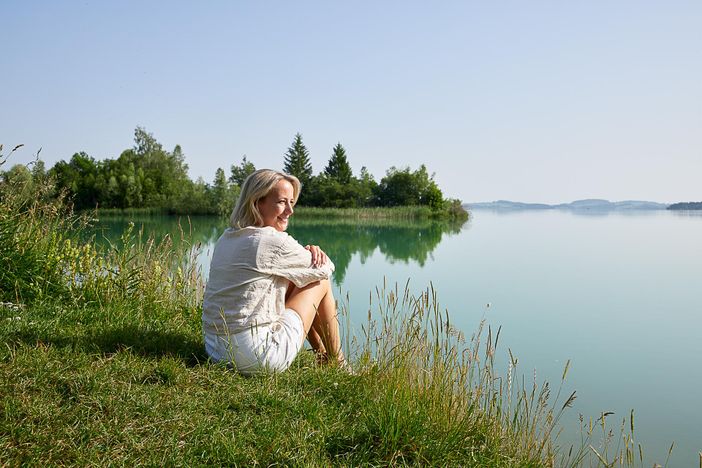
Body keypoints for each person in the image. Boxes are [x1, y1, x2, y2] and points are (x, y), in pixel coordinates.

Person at [202, 168, 346, 375]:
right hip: (256, 356)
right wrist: (312, 252)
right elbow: (326, 269)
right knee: (319, 281)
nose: (290, 211)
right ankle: (338, 362)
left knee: (295, 279)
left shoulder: (227, 237)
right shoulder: (271, 240)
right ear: (257, 202)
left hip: (216, 351)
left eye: (292, 202)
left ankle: (322, 355)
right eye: (281, 202)